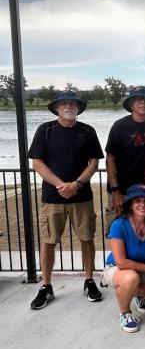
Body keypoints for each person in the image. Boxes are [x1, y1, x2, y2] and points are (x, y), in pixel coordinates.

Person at [28, 91, 104, 310]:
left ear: (78, 108)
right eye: (64, 104)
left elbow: (93, 163)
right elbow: (38, 163)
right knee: (49, 241)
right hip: (53, 197)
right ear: (57, 108)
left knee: (87, 239)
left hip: (82, 196)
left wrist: (76, 185)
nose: (69, 106)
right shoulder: (46, 130)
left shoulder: (88, 131)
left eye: (72, 104)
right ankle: (46, 286)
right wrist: (61, 185)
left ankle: (89, 281)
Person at [101, 184, 145, 333]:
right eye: (137, 201)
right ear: (131, 205)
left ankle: (135, 293)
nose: (142, 205)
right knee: (131, 278)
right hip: (118, 268)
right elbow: (121, 262)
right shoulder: (119, 225)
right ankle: (125, 313)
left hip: (144, 268)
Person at [105, 86, 145, 236]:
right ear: (131, 105)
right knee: (118, 232)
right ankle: (118, 260)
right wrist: (115, 191)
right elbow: (110, 159)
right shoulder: (120, 126)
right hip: (123, 190)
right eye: (138, 100)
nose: (143, 103)